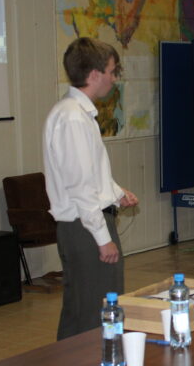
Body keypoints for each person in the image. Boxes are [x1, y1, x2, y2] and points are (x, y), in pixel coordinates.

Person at [43, 37, 139, 340]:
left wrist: (116, 192)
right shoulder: (72, 117)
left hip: (84, 223)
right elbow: (80, 185)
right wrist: (102, 237)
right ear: (94, 74)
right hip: (85, 227)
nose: (114, 78)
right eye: (111, 71)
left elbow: (88, 173)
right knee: (95, 313)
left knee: (82, 310)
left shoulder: (77, 113)